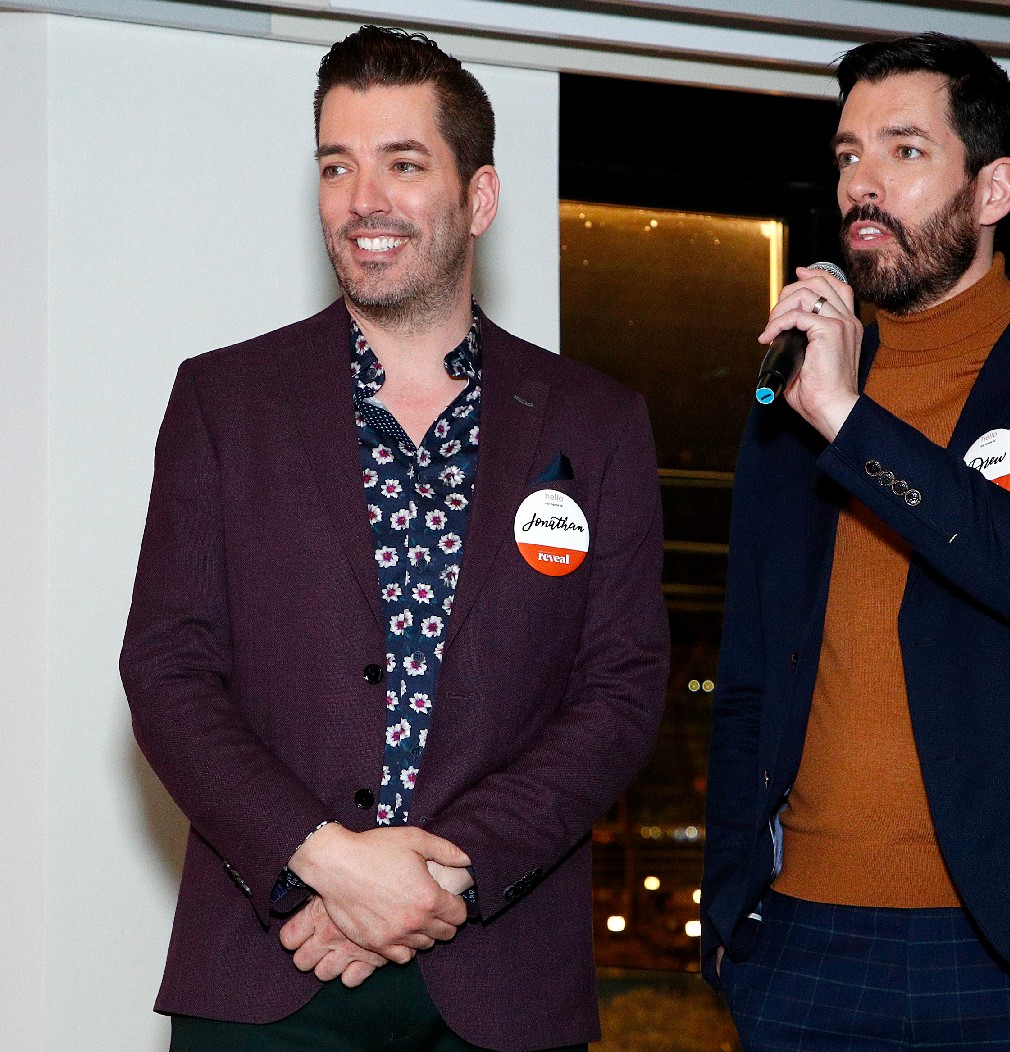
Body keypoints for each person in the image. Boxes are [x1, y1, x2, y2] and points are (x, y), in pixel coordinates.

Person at [121, 25, 668, 1052]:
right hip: (268, 960)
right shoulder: (223, 400)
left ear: (480, 197)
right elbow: (166, 667)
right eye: (338, 164)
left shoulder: (594, 424)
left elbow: (623, 688)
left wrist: (438, 873)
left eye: (402, 163)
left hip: (501, 976)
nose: (361, 198)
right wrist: (326, 858)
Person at [701, 32, 1010, 1051]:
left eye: (905, 151)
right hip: (800, 944)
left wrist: (853, 420)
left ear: (993, 188)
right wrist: (729, 918)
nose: (863, 186)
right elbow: (751, 668)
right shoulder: (793, 397)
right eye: (847, 156)